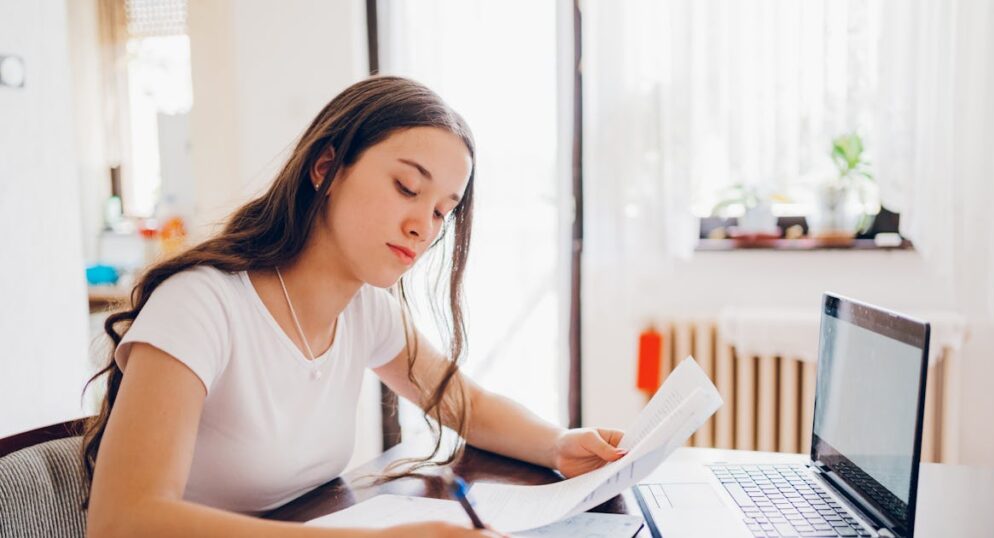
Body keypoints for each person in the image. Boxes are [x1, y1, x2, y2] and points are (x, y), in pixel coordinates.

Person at [82, 76, 626, 538]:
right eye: (406, 187)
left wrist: (559, 444)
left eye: (442, 212)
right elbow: (122, 520)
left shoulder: (366, 310)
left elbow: (465, 404)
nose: (423, 226)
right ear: (326, 168)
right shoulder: (201, 305)